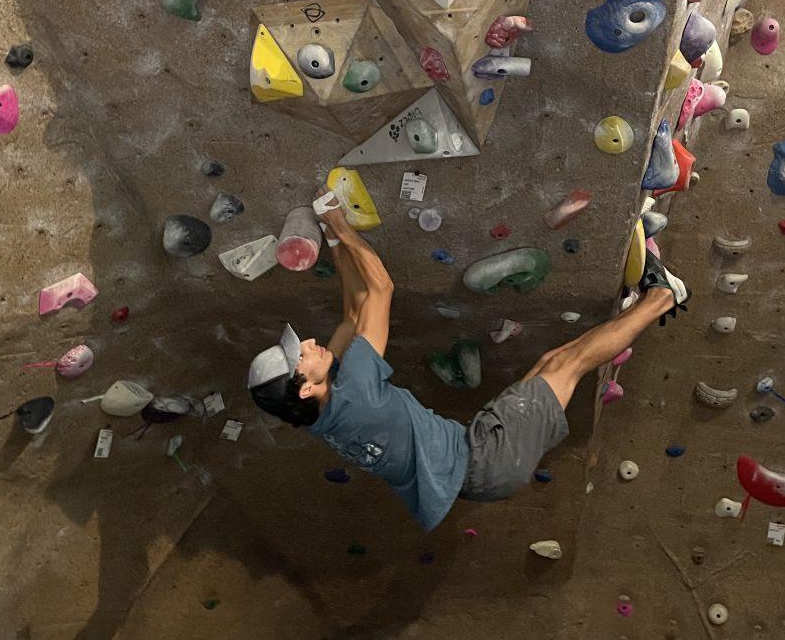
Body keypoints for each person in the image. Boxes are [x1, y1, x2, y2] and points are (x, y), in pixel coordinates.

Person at [247, 194, 688, 531]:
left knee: (550, 363)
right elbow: (380, 289)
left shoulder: (325, 415)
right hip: (484, 460)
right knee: (568, 364)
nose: (308, 343)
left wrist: (336, 247)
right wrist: (341, 222)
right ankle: (662, 296)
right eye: (300, 356)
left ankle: (647, 305)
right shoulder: (357, 392)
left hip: (473, 467)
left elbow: (351, 313)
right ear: (305, 386)